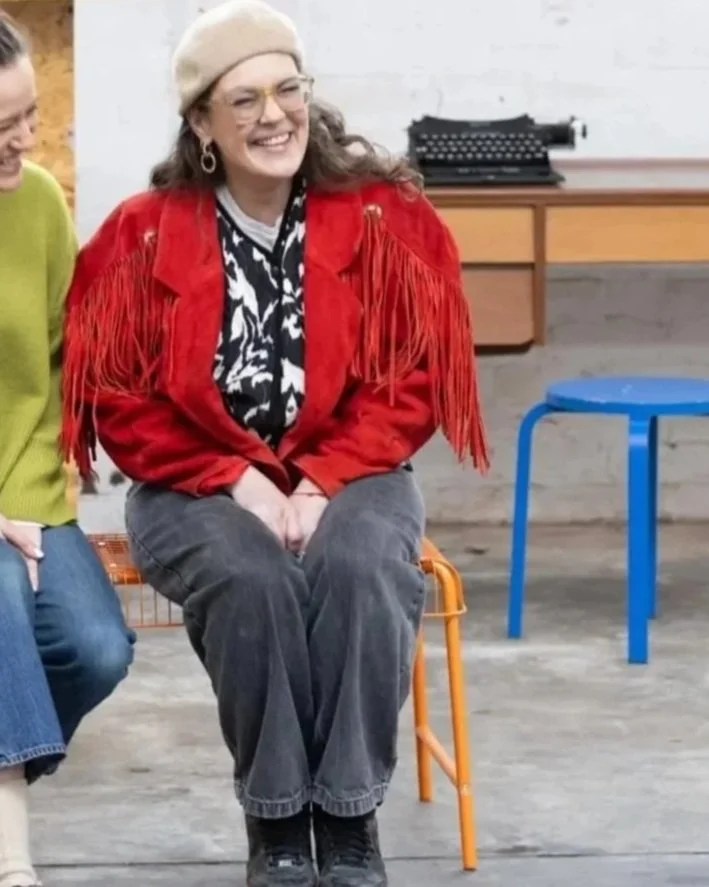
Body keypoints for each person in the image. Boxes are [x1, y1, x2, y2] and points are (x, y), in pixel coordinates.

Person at [60, 1, 488, 884]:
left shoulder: (383, 218)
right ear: (202, 125)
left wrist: (323, 479)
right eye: (243, 99)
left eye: (287, 89)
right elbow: (119, 397)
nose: (273, 115)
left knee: (362, 566)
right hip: (192, 486)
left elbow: (411, 377)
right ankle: (279, 822)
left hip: (358, 471)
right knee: (250, 577)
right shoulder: (142, 232)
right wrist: (235, 479)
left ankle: (348, 817)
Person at [0, 12, 135, 887]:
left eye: (29, 116)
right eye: (1, 126)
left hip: (32, 491)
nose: (23, 140)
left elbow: (63, 354)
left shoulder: (41, 200)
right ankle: (11, 860)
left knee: (96, 650)